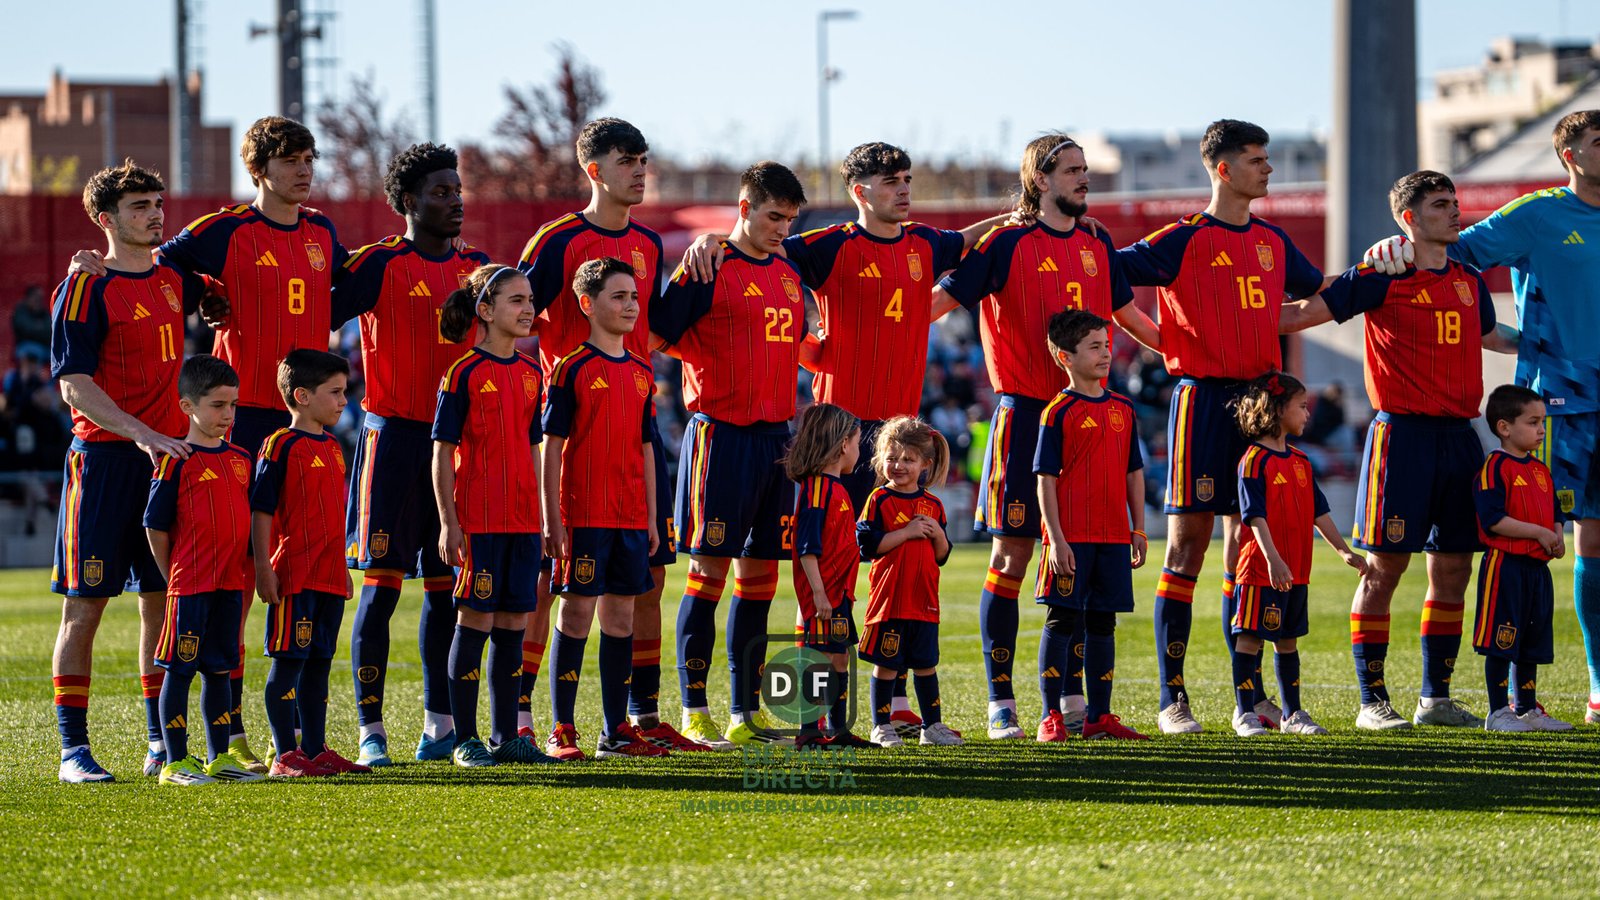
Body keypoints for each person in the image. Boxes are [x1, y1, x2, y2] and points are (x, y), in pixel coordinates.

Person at [681, 142, 1007, 733]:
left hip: (900, 438)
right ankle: (806, 715)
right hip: (839, 439)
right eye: (891, 181)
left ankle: (893, 705)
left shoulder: (925, 244)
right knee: (823, 579)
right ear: (859, 191)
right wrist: (711, 241)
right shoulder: (826, 246)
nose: (903, 189)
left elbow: (968, 239)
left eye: (907, 179)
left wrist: (1022, 216)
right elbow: (754, 250)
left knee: (901, 566)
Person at [72, 116, 349, 768]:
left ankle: (280, 739)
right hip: (236, 421)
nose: (303, 170)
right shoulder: (222, 230)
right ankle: (224, 736)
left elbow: (342, 287)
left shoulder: (322, 232)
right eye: (289, 159)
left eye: (308, 158)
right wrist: (98, 263)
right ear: (259, 169)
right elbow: (156, 265)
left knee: (291, 571)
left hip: (300, 423)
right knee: (229, 574)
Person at [1364, 111, 1600, 724]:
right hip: (1560, 406)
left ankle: (1591, 692)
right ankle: (1520, 700)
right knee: (1534, 548)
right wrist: (1393, 246)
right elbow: (1449, 252)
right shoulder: (1537, 214)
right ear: (1570, 155)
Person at [932, 133, 1157, 739]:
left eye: (1085, 169)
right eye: (1072, 170)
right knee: (1012, 556)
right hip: (1027, 415)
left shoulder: (1097, 242)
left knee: (1082, 560)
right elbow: (938, 303)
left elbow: (1129, 316)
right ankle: (1001, 702)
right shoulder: (1005, 243)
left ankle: (1074, 705)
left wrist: (1190, 356)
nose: (1084, 178)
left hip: (1089, 419)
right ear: (1040, 179)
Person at [1282, 170, 1519, 729]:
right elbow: (1301, 315)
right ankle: (1372, 702)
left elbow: (1490, 335)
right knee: (1383, 570)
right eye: (1440, 205)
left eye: (1455, 202)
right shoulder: (1379, 273)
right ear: (1408, 218)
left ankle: (1435, 698)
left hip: (1461, 438)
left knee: (1454, 569)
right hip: (1401, 439)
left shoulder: (1468, 278)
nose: (1455, 212)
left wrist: (1548, 343)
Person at [1115, 119, 1327, 734]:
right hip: (1201, 401)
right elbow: (1109, 279)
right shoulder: (1181, 239)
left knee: (1248, 548)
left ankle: (1249, 701)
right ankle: (1172, 699)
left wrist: (1377, 271)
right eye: (1257, 160)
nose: (1269, 169)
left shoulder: (1273, 241)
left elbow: (1317, 295)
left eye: (1268, 158)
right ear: (1224, 169)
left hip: (1260, 401)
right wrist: (1167, 342)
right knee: (1187, 546)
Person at [517, 118, 692, 751]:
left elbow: (660, 325)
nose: (640, 171)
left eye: (644, 160)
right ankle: (529, 718)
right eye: (627, 161)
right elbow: (515, 308)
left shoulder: (649, 241)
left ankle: (635, 718)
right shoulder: (557, 240)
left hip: (635, 433)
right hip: (575, 443)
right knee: (555, 588)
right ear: (594, 171)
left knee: (644, 584)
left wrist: (709, 253)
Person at [332, 142, 491, 767]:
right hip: (393, 441)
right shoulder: (378, 264)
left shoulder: (478, 270)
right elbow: (312, 309)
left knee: (447, 590)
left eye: (457, 190)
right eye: (440, 192)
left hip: (458, 448)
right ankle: (370, 732)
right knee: (380, 590)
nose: (455, 201)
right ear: (408, 201)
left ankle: (439, 726)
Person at [648, 161, 809, 749]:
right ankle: (695, 710)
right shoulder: (707, 265)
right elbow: (655, 334)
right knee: (707, 574)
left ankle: (746, 713)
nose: (782, 229)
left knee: (760, 580)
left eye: (790, 220)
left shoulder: (788, 273)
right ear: (745, 208)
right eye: (774, 217)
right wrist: (703, 357)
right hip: (719, 437)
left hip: (777, 444)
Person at [49, 161, 200, 783]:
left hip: (163, 462)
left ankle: (160, 742)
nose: (155, 215)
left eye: (157, 203)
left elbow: (221, 295)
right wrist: (141, 432)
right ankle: (73, 752)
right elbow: (72, 384)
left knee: (159, 604)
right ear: (105, 219)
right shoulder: (84, 287)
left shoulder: (174, 277)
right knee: (84, 608)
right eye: (139, 206)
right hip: (105, 464)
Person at [541, 259, 670, 760]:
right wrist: (553, 518)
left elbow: (646, 447)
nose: (631, 305)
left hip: (631, 517)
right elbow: (552, 448)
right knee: (576, 614)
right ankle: (562, 729)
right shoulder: (571, 367)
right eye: (618, 296)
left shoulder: (640, 371)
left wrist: (651, 517)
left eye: (634, 296)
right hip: (584, 515)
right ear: (587, 304)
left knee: (620, 618)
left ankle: (615, 731)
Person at [431, 265, 552, 768]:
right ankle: (464, 739)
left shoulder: (531, 372)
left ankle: (508, 737)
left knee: (513, 624)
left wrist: (545, 518)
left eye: (530, 300)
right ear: (485, 310)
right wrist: (449, 522)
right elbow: (442, 452)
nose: (528, 309)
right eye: (516, 300)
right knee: (475, 621)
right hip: (479, 521)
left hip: (523, 523)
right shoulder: (462, 373)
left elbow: (534, 448)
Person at [1032, 310, 1150, 742]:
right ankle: (1051, 717)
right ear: (1065, 357)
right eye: (1094, 347)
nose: (1105, 354)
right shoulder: (1057, 412)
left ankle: (1099, 717)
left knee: (1103, 623)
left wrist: (1138, 528)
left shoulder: (1123, 408)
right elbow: (1045, 479)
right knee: (1062, 620)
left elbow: (1133, 472)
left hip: (1114, 537)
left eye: (1106, 345)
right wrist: (1056, 539)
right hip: (1071, 539)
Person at [145, 355, 262, 785]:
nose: (227, 414)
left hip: (230, 585)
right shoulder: (176, 460)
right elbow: (155, 526)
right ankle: (175, 761)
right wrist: (173, 575)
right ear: (188, 406)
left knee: (220, 670)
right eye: (217, 405)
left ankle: (220, 758)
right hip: (190, 586)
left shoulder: (241, 459)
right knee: (179, 670)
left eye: (233, 404)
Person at [250, 349, 368, 776]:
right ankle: (285, 755)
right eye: (334, 392)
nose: (343, 401)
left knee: (319, 665)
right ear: (302, 395)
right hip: (295, 575)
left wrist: (342, 570)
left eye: (344, 391)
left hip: (329, 577)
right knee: (288, 664)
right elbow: (261, 510)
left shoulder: (333, 446)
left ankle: (315, 750)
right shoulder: (280, 445)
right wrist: (263, 567)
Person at [1229, 371, 1366, 737]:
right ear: (1277, 410)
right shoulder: (1253, 461)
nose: (1308, 414)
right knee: (1250, 639)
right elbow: (1254, 516)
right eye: (1302, 406)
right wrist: (1272, 558)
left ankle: (1292, 714)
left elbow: (1319, 512)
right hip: (1261, 570)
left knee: (1287, 642)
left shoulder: (1302, 461)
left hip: (1296, 572)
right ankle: (1245, 713)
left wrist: (1344, 551)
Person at [856, 416, 963, 747]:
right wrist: (906, 532)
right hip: (891, 601)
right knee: (887, 666)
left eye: (908, 459)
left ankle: (932, 726)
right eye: (892, 458)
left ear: (925, 464)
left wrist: (938, 535)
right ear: (880, 459)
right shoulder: (879, 500)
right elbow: (868, 546)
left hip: (924, 601)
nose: (899, 465)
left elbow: (941, 555)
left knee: (926, 665)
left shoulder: (933, 504)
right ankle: (881, 726)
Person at [1473, 385, 1572, 732]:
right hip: (1505, 567)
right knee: (1502, 640)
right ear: (1504, 427)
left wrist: (1556, 533)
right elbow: (1493, 519)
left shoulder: (1540, 469)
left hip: (1537, 570)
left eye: (1542, 422)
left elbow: (1555, 510)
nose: (1541, 430)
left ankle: (1527, 708)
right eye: (1533, 422)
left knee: (1532, 641)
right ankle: (1498, 711)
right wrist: (1538, 533)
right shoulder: (1495, 466)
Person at [785, 402, 869, 748]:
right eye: (858, 443)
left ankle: (838, 730)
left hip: (839, 594)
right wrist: (818, 593)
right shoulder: (818, 490)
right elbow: (807, 547)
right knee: (819, 658)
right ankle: (808, 730)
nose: (859, 451)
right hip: (824, 596)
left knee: (838, 656)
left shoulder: (836, 488)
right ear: (843, 445)